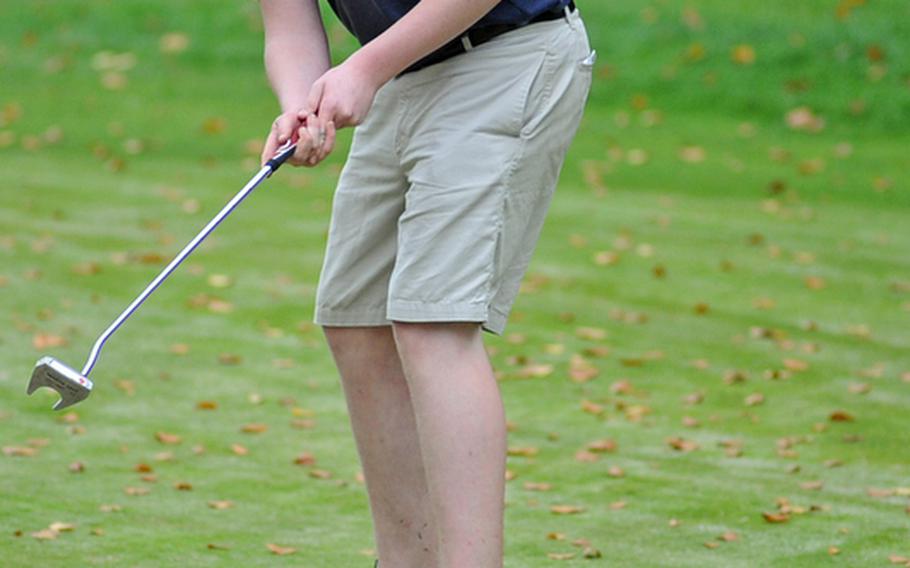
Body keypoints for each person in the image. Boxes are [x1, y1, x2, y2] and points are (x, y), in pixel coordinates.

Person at [258, 0, 593, 566]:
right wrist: (301, 106)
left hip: (503, 51)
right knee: (355, 320)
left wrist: (363, 70)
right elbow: (287, 18)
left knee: (432, 321)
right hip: (400, 71)